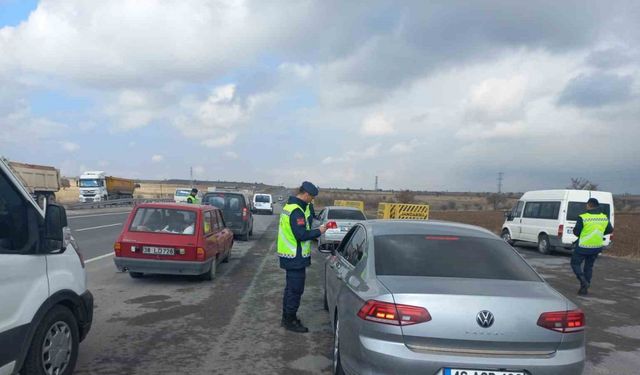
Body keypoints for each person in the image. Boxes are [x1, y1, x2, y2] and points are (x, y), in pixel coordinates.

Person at [278, 181, 327, 333]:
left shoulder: (292, 207)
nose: (312, 200)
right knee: (295, 290)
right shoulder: (296, 211)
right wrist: (320, 231)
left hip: (291, 256)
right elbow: (301, 235)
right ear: (305, 194)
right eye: (311, 197)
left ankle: (287, 317)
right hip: (295, 258)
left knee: (290, 290)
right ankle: (290, 321)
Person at [571, 198, 613, 296]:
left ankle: (583, 281)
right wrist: (598, 233)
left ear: (589, 205)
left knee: (575, 264)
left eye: (587, 205)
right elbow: (610, 229)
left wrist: (585, 234)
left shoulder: (583, 217)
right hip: (596, 246)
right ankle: (584, 288)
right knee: (589, 267)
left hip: (583, 246)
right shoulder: (604, 217)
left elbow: (576, 232)